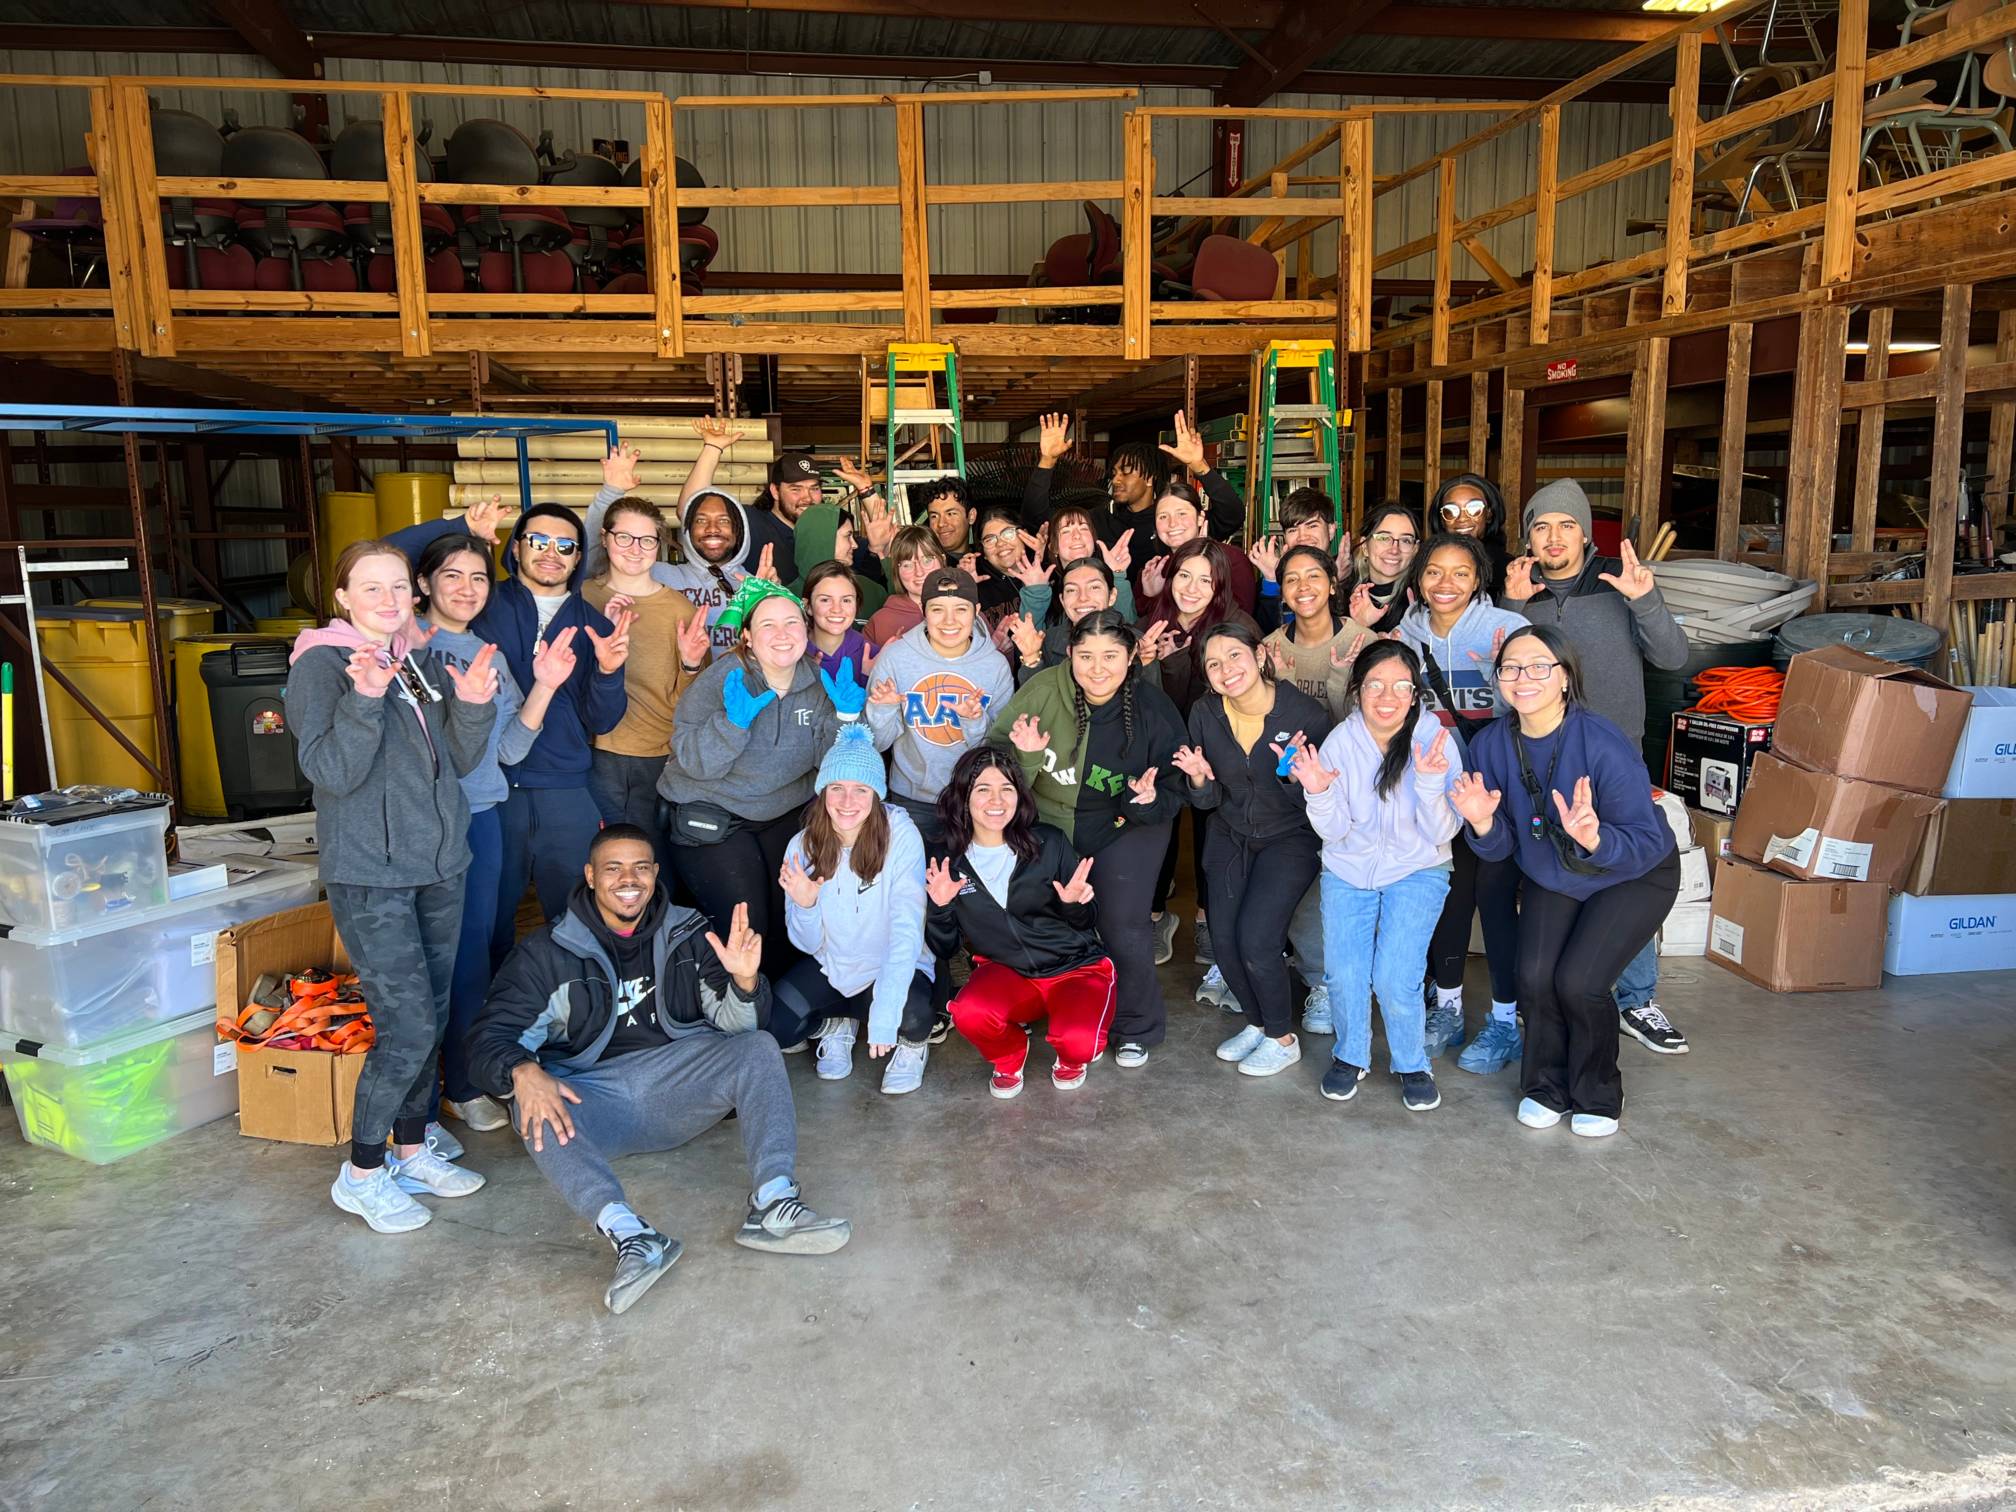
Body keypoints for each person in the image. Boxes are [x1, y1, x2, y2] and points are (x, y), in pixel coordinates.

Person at [466, 825, 849, 1316]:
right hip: (595, 1103)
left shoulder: (689, 931)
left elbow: (738, 1028)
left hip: (678, 1089)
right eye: (613, 868)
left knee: (759, 1046)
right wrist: (521, 1069)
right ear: (590, 876)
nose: (629, 879)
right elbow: (486, 1042)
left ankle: (773, 1204)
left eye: (640, 867)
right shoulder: (546, 953)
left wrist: (746, 981)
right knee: (531, 1101)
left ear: (655, 873)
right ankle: (634, 1238)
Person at [286, 540, 498, 1233]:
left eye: (398, 587)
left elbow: (459, 760)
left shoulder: (420, 659)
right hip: (372, 876)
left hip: (439, 865)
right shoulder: (324, 664)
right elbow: (332, 771)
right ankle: (363, 1171)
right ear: (341, 597)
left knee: (429, 1016)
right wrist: (365, 699)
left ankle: (411, 1146)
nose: (387, 599)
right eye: (368, 588)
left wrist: (471, 705)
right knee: (405, 1028)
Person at [1449, 626, 1681, 1137]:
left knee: (1580, 981)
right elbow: (1502, 846)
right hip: (1555, 873)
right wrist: (1483, 823)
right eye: (1510, 667)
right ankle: (1545, 1087)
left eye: (1538, 666)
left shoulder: (1600, 741)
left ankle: (1596, 1093)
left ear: (1565, 678)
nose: (1522, 677)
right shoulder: (1489, 746)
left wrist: (1596, 839)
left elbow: (1644, 838)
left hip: (1631, 873)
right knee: (1533, 976)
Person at [1500, 479, 1692, 1056]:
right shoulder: (1519, 591)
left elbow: (1673, 657)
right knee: (1547, 873)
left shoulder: (1619, 583)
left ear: (1584, 532)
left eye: (1565, 525)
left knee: (1625, 872)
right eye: (1541, 526)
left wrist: (1644, 600)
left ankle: (1636, 1000)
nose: (1553, 537)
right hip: (1538, 760)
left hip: (1614, 763)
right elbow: (1507, 669)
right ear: (1529, 537)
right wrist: (1512, 607)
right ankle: (1552, 992)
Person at [387, 495, 632, 927]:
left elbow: (601, 720)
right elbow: (384, 560)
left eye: (565, 546)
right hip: (488, 793)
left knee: (576, 919)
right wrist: (463, 524)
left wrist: (609, 673)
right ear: (515, 547)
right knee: (490, 920)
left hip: (563, 788)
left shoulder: (598, 626)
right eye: (538, 540)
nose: (551, 553)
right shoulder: (478, 598)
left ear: (579, 559)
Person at [410, 530, 568, 1136]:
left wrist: (547, 686)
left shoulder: (490, 655)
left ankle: (473, 1071)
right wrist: (466, 529)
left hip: (485, 812)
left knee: (490, 944)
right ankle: (457, 1086)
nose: (467, 589)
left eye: (478, 577)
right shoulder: (403, 646)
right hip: (431, 820)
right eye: (451, 575)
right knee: (454, 957)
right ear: (422, 583)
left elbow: (506, 748)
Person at [989, 611, 1185, 1068]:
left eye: (1111, 656)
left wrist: (1149, 799)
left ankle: (1135, 1025)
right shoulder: (1040, 692)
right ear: (1070, 654)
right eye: (1087, 656)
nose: (1098, 669)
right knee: (1042, 913)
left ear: (1132, 655)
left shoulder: (1152, 707)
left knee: (1122, 922)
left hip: (1130, 822)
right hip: (1052, 824)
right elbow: (993, 765)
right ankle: (1050, 1007)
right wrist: (1028, 757)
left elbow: (1178, 784)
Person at [1286, 641, 1461, 1114]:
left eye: (1401, 686)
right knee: (1344, 973)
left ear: (1416, 692)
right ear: (1358, 690)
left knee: (1395, 977)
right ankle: (1351, 1055)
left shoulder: (1435, 741)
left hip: (1418, 869)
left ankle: (1411, 1062)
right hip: (1348, 868)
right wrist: (1319, 792)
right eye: (1375, 686)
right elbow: (1336, 832)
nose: (1388, 697)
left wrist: (1428, 784)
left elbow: (1445, 831)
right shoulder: (1342, 741)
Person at [658, 577, 851, 981]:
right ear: (746, 635)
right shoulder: (726, 679)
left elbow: (831, 765)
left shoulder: (818, 683)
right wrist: (731, 724)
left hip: (781, 811)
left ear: (806, 628)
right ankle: (742, 1010)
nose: (782, 635)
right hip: (715, 810)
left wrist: (845, 719)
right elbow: (694, 763)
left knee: (793, 911)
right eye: (767, 625)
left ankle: (787, 1013)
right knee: (749, 921)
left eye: (792, 623)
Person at [1173, 622, 1334, 1078]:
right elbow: (1205, 801)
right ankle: (1259, 1023)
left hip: (1290, 836)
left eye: (1235, 656)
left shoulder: (1306, 715)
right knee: (1222, 941)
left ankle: (1283, 1039)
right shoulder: (1205, 713)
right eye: (1214, 664)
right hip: (1229, 833)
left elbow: (1320, 801)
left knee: (1258, 938)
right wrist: (1200, 779)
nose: (1227, 670)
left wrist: (1290, 778)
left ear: (1260, 655)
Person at [1398, 531, 1530, 1069]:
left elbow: (1532, 704)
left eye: (1460, 572)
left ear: (1479, 579)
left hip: (1500, 794)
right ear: (1419, 579)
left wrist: (1501, 670)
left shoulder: (1508, 629)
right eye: (1434, 572)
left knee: (1498, 902)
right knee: (1449, 900)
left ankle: (1505, 1020)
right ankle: (1448, 1008)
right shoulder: (1406, 637)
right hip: (1439, 792)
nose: (1445, 583)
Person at [925, 748, 1114, 1098]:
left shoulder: (1050, 842)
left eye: (1007, 788)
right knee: (969, 1010)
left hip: (1075, 968)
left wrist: (1073, 904)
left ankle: (1072, 1057)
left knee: (1078, 1043)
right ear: (963, 797)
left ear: (1019, 796)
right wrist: (940, 907)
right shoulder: (949, 861)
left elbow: (1088, 921)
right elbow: (946, 948)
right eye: (982, 789)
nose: (996, 800)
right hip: (1008, 972)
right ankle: (1009, 1056)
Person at [775, 727, 935, 1094]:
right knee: (778, 1026)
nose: (847, 801)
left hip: (891, 966)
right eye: (837, 788)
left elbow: (907, 925)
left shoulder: (901, 836)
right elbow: (806, 942)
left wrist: (885, 1013)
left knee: (912, 1015)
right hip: (834, 964)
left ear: (876, 795)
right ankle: (837, 1023)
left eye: (861, 790)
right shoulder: (801, 845)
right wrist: (806, 904)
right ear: (823, 793)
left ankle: (912, 1046)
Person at [1138, 537, 1259, 969]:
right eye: (1184, 575)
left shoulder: (1236, 625)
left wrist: (1177, 665)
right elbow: (1150, 705)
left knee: (1212, 837)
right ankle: (1155, 915)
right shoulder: (1153, 621)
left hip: (1221, 751)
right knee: (1159, 831)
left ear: (1220, 585)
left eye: (1205, 579)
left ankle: (1207, 919)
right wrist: (1156, 662)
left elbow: (1228, 698)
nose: (1191, 587)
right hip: (1163, 751)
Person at [581, 496, 712, 861]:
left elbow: (694, 699)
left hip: (659, 756)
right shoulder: (583, 597)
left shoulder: (679, 610)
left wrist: (689, 664)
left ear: (659, 545)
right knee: (601, 860)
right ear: (605, 538)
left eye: (647, 540)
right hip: (596, 752)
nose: (635, 549)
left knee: (654, 860)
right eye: (624, 537)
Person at [865, 567, 1014, 839]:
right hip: (910, 798)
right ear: (923, 611)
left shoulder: (995, 666)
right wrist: (882, 710)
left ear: (976, 610)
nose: (949, 620)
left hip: (973, 799)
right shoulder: (896, 659)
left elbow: (1000, 750)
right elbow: (877, 743)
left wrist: (973, 722)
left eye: (960, 609)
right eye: (937, 609)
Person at [1020, 411, 1244, 549]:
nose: (1116, 479)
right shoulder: (1098, 519)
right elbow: (1036, 518)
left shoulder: (1173, 524)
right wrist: (1047, 460)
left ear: (1149, 478)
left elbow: (1232, 515)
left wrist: (1199, 466)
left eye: (1126, 472)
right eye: (1115, 471)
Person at [1258, 545, 1365, 720]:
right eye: (1292, 579)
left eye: (1313, 576)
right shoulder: (1269, 650)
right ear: (1283, 593)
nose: (1303, 586)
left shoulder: (1363, 642)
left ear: (1332, 585)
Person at [1138, 479, 1258, 614]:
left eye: (1182, 514)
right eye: (1163, 516)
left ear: (1200, 517)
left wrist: (1202, 559)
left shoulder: (1233, 559)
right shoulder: (1155, 570)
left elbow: (1242, 619)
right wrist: (1150, 595)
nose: (1172, 524)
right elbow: (1145, 623)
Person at [1007, 555, 1127, 684]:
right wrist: (1031, 657)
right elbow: (1034, 700)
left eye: (1094, 587)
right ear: (1062, 600)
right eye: (1071, 590)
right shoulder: (1048, 641)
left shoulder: (1134, 642)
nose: (1083, 598)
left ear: (1112, 596)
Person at [790, 502, 889, 624]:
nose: (855, 545)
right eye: (848, 536)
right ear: (823, 540)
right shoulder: (784, 600)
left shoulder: (871, 590)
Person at [863, 524, 950, 647]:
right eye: (907, 565)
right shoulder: (880, 622)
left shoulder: (966, 609)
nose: (919, 572)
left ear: (943, 560)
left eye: (927, 560)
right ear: (896, 570)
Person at [1342, 501, 1422, 635]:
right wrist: (1360, 627)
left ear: (1415, 550)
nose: (1394, 549)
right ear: (1365, 546)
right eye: (1384, 538)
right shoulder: (1342, 595)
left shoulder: (1421, 600)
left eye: (1405, 540)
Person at [1429, 472, 1512, 594]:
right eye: (1450, 511)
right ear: (1441, 520)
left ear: (1489, 514)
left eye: (1474, 508)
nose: (1462, 518)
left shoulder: (1509, 569)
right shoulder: (1426, 565)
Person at [800, 558, 878, 680]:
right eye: (825, 600)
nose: (837, 609)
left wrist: (868, 679)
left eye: (846, 600)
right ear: (807, 606)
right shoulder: (792, 651)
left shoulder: (871, 655)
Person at [914, 474, 976, 559]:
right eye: (934, 516)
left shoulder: (987, 561)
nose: (941, 523)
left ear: (971, 516)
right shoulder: (922, 565)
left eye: (950, 514)